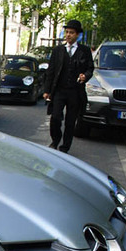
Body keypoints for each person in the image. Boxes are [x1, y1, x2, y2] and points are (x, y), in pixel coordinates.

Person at [42, 20, 94, 153]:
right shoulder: (58, 50)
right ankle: (55, 139)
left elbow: (90, 68)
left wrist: (85, 76)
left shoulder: (85, 51)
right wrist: (47, 90)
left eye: (71, 33)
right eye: (67, 32)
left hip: (75, 92)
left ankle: (65, 147)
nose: (68, 35)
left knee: (71, 121)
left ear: (77, 35)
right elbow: (51, 71)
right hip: (59, 90)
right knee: (55, 118)